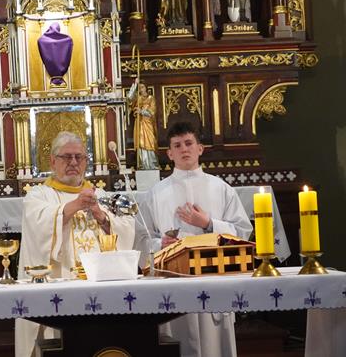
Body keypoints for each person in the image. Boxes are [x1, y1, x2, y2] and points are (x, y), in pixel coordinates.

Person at [16, 131, 138, 357]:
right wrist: (75, 205)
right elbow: (38, 228)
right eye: (66, 157)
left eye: (79, 157)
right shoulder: (38, 196)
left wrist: (101, 216)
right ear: (53, 161)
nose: (73, 162)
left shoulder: (101, 195)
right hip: (58, 294)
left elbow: (128, 230)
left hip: (101, 291)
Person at [139, 122, 253, 357]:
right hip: (172, 281)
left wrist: (209, 224)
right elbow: (140, 238)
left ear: (200, 148)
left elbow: (243, 232)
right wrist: (160, 244)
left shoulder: (221, 188)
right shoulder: (156, 194)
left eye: (189, 143)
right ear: (169, 154)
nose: (184, 149)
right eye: (177, 145)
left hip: (213, 277)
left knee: (214, 347)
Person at [127, 78, 159, 170]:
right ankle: (143, 164)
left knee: (150, 142)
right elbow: (129, 99)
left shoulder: (151, 98)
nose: (141, 89)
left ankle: (152, 164)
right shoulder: (137, 98)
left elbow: (152, 112)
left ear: (146, 88)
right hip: (139, 123)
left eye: (142, 87)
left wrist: (141, 111)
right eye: (139, 87)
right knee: (141, 143)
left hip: (148, 123)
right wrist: (135, 84)